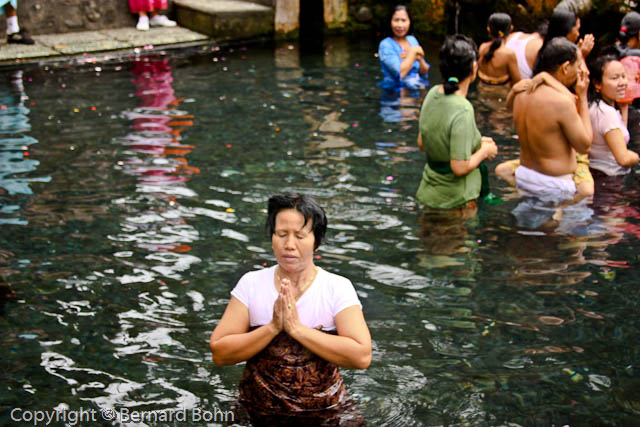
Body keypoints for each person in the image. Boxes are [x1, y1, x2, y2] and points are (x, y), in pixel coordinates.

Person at [210, 194, 371, 425]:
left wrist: (296, 329)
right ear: (272, 238)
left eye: (300, 236)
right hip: (256, 410)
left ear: (316, 240)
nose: (289, 245)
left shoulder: (337, 287)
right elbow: (220, 352)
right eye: (281, 234)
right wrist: (273, 327)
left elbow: (362, 356)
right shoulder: (252, 284)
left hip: (327, 412)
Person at [497, 37, 592, 201]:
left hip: (524, 176)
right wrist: (583, 97)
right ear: (565, 68)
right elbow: (584, 146)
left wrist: (545, 77)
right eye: (578, 66)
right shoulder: (561, 102)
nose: (581, 71)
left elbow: (507, 108)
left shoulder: (521, 92)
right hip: (555, 185)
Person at [415, 34, 498, 210]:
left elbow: (423, 143)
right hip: (456, 203)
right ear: (474, 68)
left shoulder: (432, 94)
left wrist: (476, 141)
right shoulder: (463, 109)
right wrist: (484, 151)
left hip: (428, 195)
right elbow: (459, 167)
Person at [587, 54, 639, 176]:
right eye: (615, 78)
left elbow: (618, 136)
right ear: (597, 83)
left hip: (598, 172)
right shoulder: (607, 113)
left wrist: (623, 109)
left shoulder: (594, 106)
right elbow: (623, 159)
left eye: (623, 76)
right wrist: (636, 157)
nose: (622, 83)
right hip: (612, 178)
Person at [377, 5, 430, 91]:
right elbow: (400, 74)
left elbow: (424, 72)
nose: (400, 25)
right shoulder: (386, 45)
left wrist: (419, 59)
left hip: (416, 86)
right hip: (394, 92)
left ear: (409, 22)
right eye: (396, 20)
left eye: (403, 20)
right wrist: (414, 52)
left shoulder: (412, 40)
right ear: (390, 22)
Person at [478, 13, 521, 85]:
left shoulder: (482, 47)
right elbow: (517, 82)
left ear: (488, 29)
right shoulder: (509, 54)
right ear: (511, 29)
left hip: (482, 91)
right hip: (501, 94)